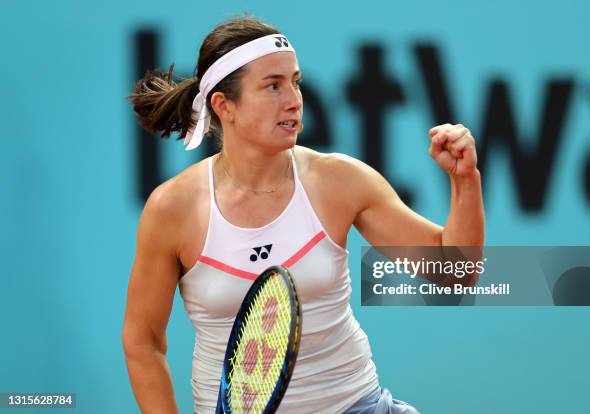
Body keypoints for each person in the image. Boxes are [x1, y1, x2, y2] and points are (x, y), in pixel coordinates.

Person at [121, 16, 484, 414]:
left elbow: (456, 272)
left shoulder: (339, 180)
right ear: (225, 106)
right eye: (272, 86)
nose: (294, 99)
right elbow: (143, 341)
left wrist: (465, 179)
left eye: (295, 81)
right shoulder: (172, 208)